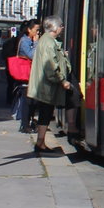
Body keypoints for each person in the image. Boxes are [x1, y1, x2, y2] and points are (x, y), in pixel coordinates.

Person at [26, 16, 72, 155]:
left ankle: (41, 143)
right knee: (45, 113)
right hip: (46, 86)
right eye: (61, 25)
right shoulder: (48, 42)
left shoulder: (48, 41)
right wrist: (62, 80)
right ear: (55, 27)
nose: (62, 28)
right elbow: (50, 66)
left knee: (45, 114)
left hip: (46, 85)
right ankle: (40, 144)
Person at [14, 19, 40, 133]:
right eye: (36, 30)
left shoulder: (30, 39)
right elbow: (31, 55)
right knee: (27, 101)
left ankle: (28, 122)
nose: (38, 33)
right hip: (26, 76)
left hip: (32, 75)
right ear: (29, 30)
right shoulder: (25, 41)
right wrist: (36, 43)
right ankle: (24, 125)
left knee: (33, 101)